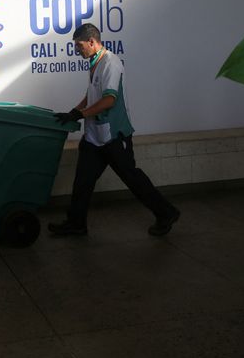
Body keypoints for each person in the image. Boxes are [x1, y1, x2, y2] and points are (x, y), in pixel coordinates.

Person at [49, 23, 180, 237]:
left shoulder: (111, 63)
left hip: (114, 136)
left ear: (92, 42)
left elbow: (109, 100)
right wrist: (74, 111)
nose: (77, 50)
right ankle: (76, 223)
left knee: (133, 179)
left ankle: (166, 212)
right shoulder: (94, 62)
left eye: (79, 45)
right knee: (83, 180)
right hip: (94, 138)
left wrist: (81, 115)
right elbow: (92, 94)